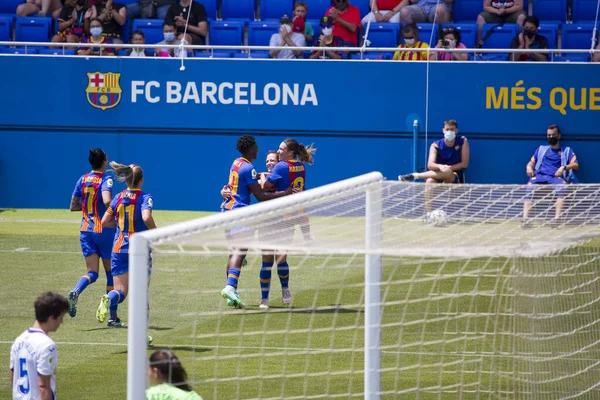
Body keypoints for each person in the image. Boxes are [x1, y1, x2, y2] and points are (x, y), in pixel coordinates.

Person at [220, 135, 294, 309]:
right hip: (239, 213)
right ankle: (230, 287)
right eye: (256, 148)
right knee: (240, 251)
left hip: (226, 211)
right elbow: (260, 195)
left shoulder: (236, 162)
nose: (258, 151)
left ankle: (232, 291)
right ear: (250, 149)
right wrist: (285, 193)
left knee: (235, 254)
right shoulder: (249, 168)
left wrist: (224, 191)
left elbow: (236, 185)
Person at [97, 162, 156, 342]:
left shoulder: (119, 197)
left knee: (120, 291)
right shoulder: (145, 197)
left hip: (119, 247)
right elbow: (146, 217)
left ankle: (109, 298)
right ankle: (141, 334)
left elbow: (105, 220)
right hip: (138, 249)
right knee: (141, 294)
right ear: (141, 180)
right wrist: (155, 233)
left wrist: (122, 226)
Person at [261, 139, 316, 308]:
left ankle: (264, 298)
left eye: (281, 149)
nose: (278, 152)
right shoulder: (300, 166)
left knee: (267, 261)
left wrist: (262, 176)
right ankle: (285, 290)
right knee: (282, 258)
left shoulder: (281, 166)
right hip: (290, 218)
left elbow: (265, 186)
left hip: (273, 217)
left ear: (290, 152)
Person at [67, 148, 116, 322]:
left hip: (85, 231)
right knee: (111, 272)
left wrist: (89, 208)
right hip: (103, 230)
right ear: (104, 161)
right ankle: (112, 317)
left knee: (92, 273)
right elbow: (106, 200)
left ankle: (76, 291)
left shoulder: (83, 179)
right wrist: (115, 210)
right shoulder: (106, 178)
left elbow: (73, 205)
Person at [399, 119, 470, 222]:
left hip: (453, 176)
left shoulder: (463, 141)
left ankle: (416, 176)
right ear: (443, 131)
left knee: (447, 172)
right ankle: (429, 215)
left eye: (452, 129)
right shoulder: (435, 145)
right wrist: (441, 166)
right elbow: (430, 164)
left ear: (456, 131)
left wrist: (447, 168)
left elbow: (464, 164)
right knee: (429, 181)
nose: (449, 132)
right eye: (447, 129)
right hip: (436, 174)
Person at [10, 292, 69, 400]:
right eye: (61, 317)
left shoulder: (18, 341)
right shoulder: (47, 345)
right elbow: (43, 387)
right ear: (52, 317)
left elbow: (13, 379)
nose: (62, 322)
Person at [522, 125, 579, 228]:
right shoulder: (541, 149)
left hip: (556, 178)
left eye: (553, 135)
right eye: (549, 135)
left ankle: (557, 219)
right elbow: (531, 163)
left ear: (559, 136)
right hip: (540, 176)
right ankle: (525, 220)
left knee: (563, 188)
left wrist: (563, 167)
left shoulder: (567, 150)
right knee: (529, 187)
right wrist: (529, 168)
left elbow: (575, 165)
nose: (551, 137)